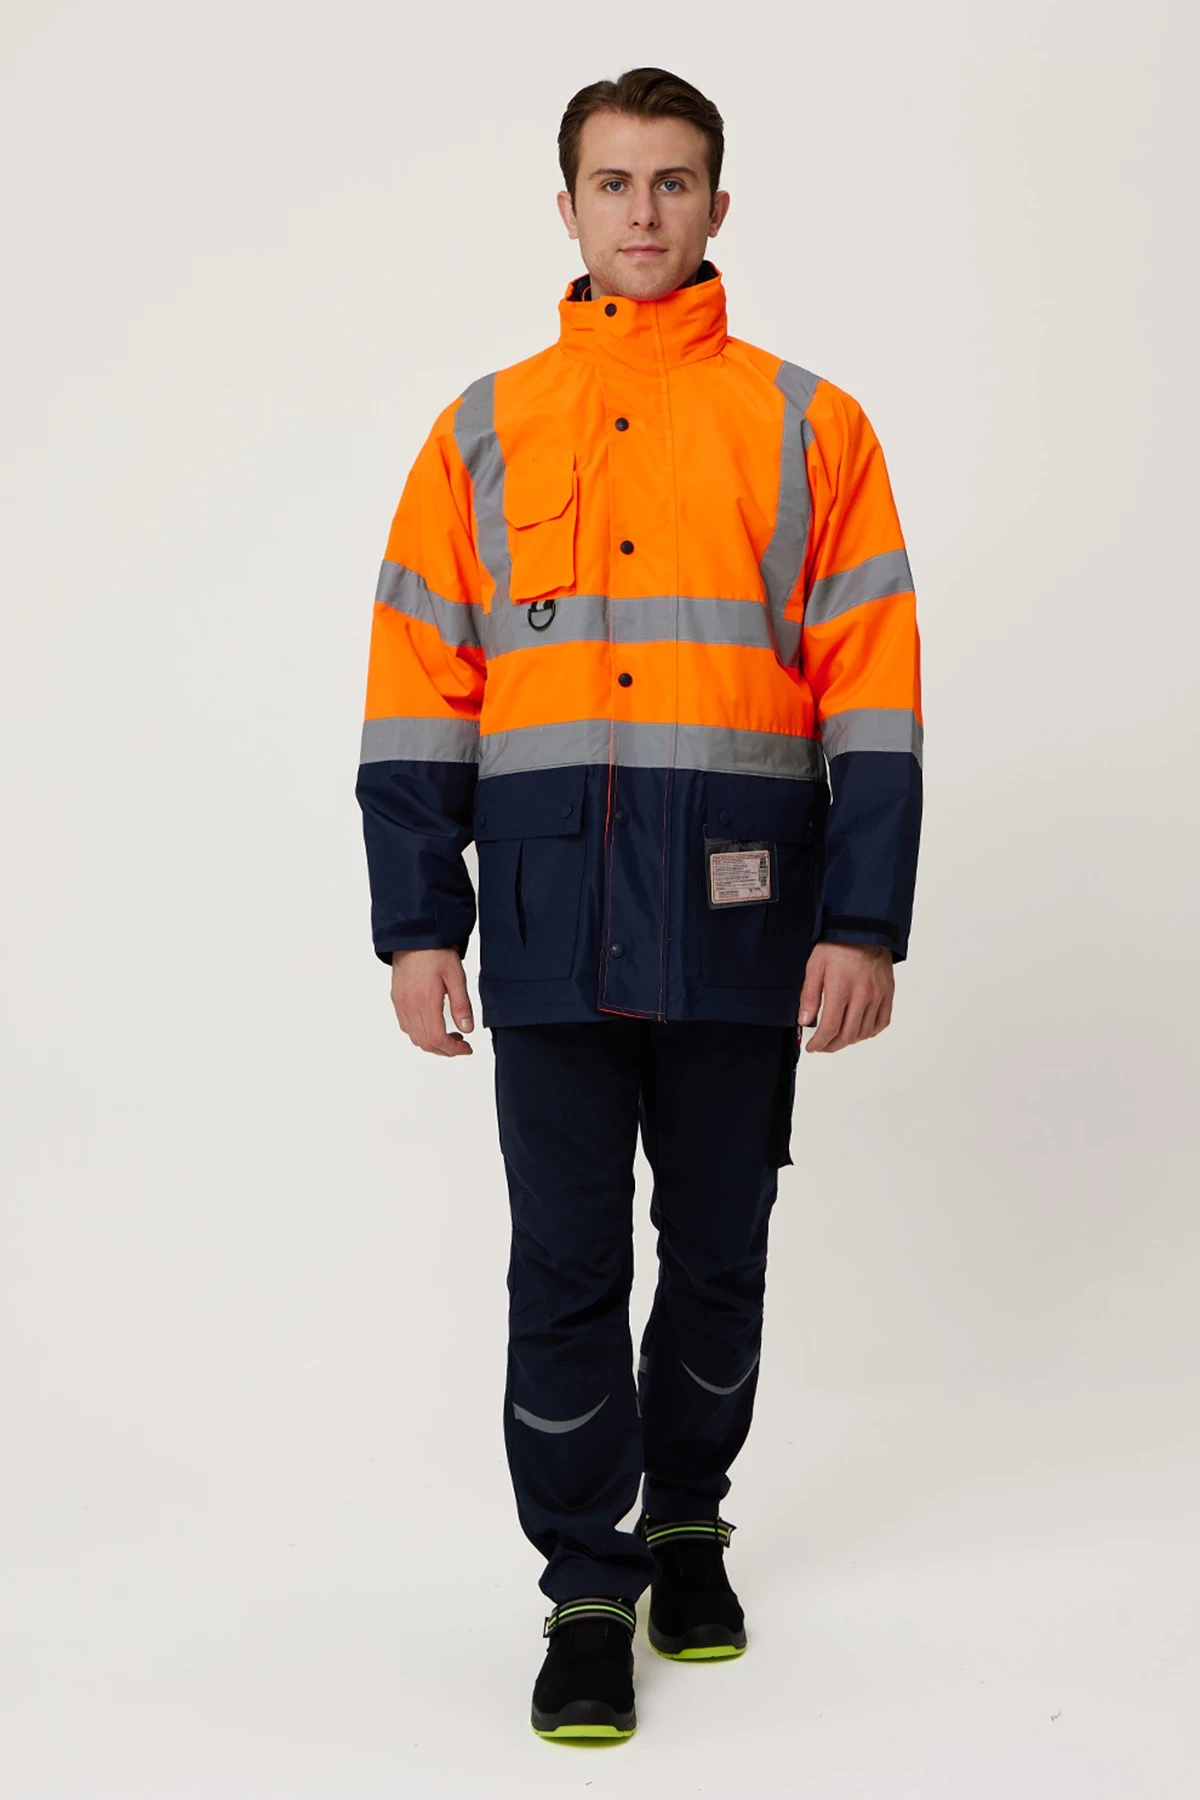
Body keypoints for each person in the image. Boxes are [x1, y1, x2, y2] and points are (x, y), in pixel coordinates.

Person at [355, 66, 922, 1741]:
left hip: (748, 914)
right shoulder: (481, 430)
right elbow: (417, 691)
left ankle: (688, 1521)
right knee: (564, 1266)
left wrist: (863, 919)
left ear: (719, 206)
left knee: (722, 1248)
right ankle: (586, 1592)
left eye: (675, 182)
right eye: (615, 183)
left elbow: (874, 695)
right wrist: (417, 923)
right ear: (569, 209)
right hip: (544, 923)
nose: (646, 211)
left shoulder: (812, 427)